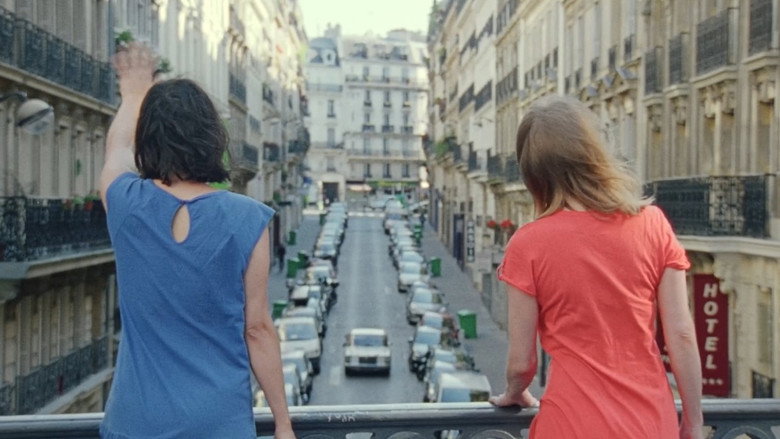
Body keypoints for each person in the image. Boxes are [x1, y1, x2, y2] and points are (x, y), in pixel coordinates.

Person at [99, 43, 295, 439]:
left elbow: (117, 149)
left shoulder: (126, 203)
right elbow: (257, 329)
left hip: (136, 422)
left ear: (148, 140)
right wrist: (282, 423)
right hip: (217, 422)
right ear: (212, 137)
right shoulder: (247, 217)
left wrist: (134, 92)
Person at [490, 95, 703, 439]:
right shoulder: (653, 224)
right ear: (595, 153)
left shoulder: (527, 243)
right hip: (649, 422)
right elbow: (681, 335)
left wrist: (515, 392)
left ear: (534, 173)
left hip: (571, 423)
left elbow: (521, 363)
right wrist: (693, 420)